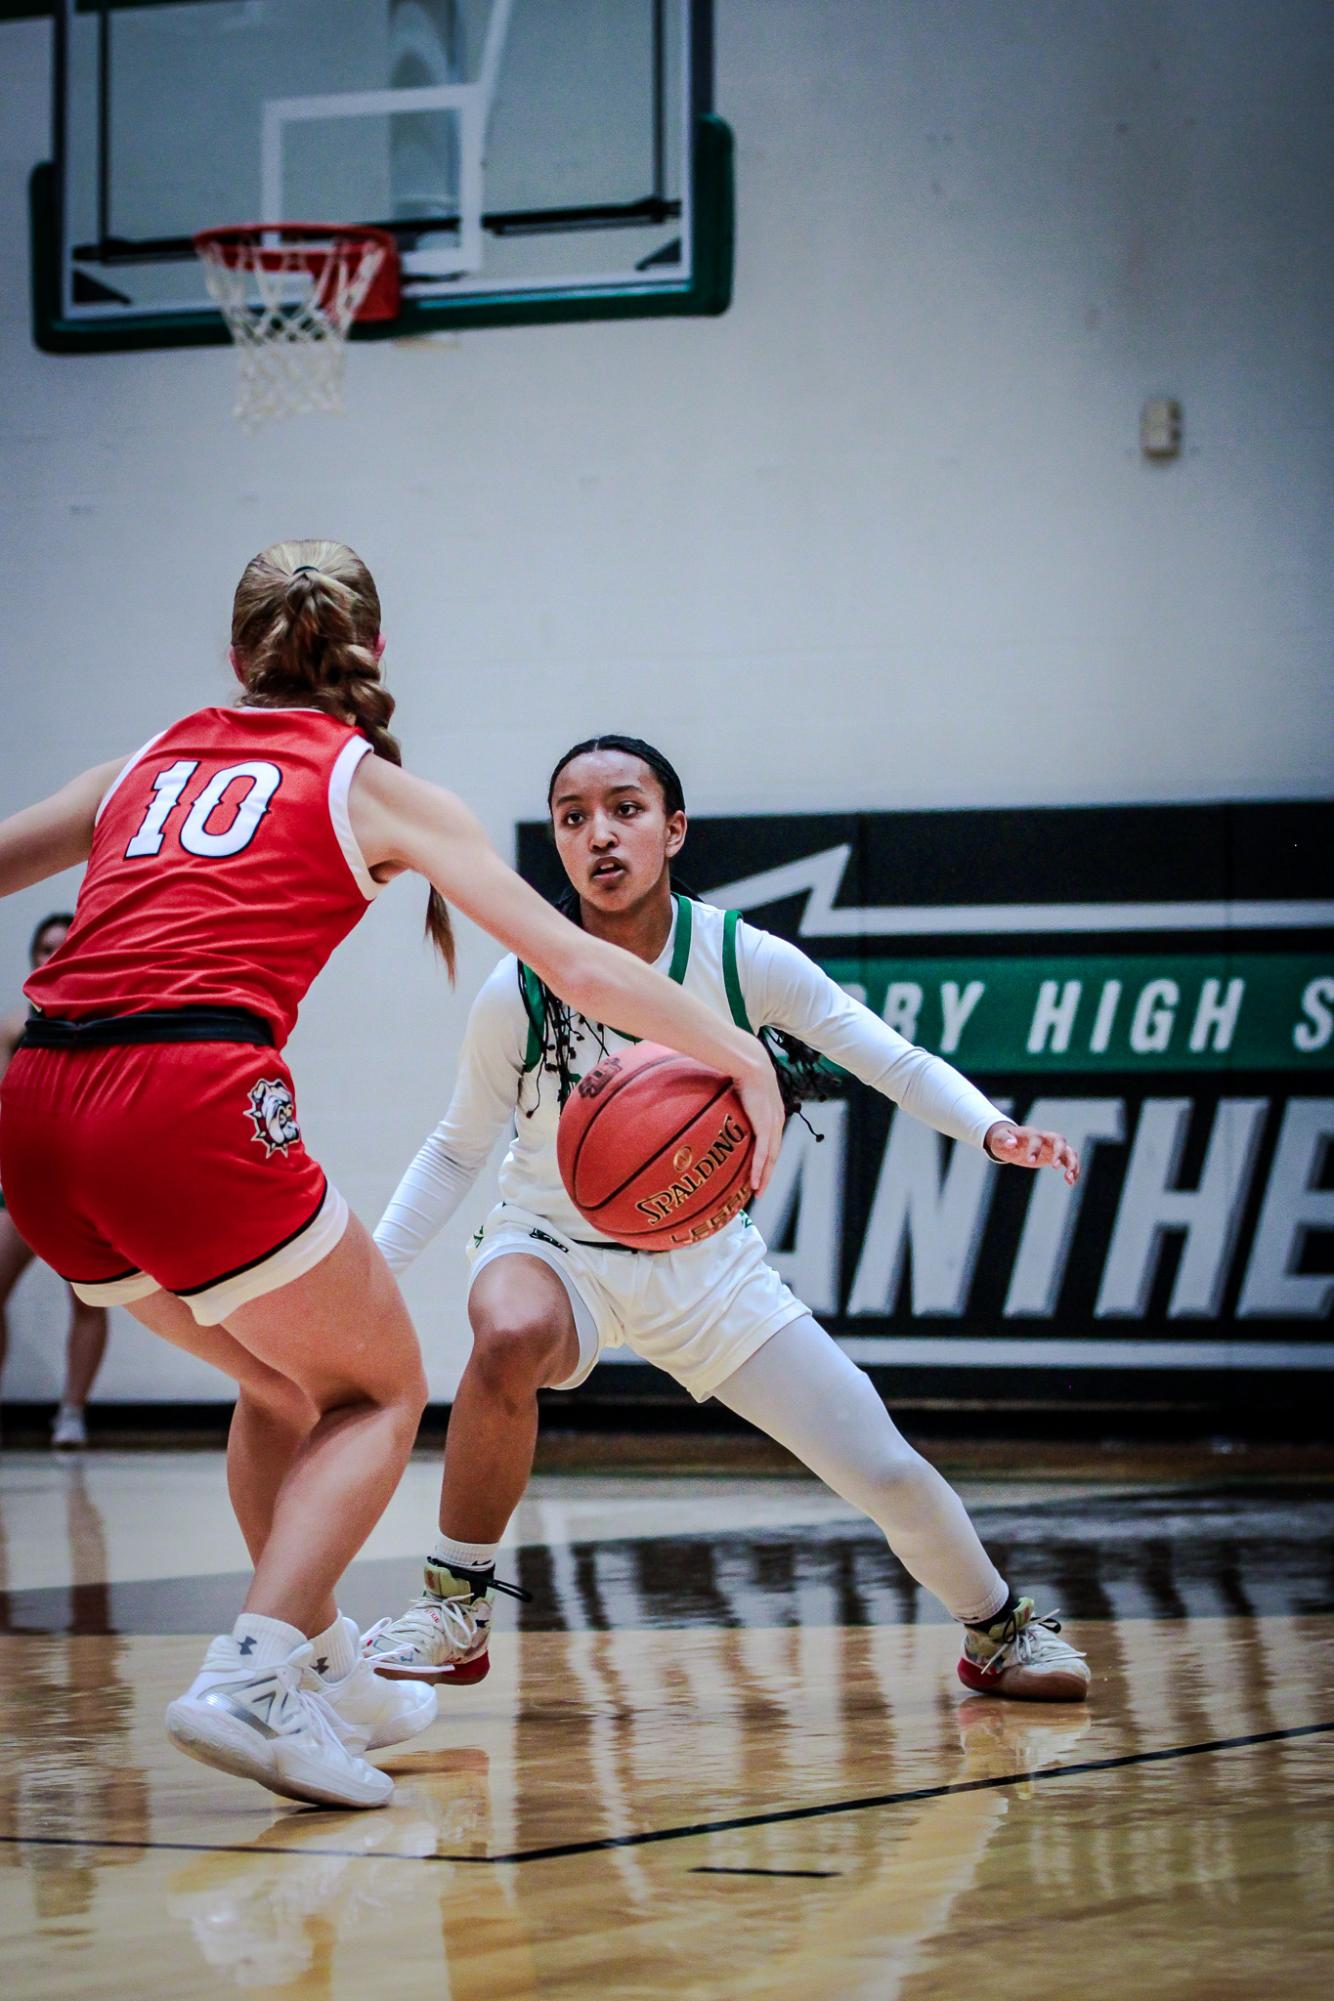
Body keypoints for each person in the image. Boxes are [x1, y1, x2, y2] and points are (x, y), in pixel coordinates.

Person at [0, 555, 784, 1813]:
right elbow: (575, 967)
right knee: (380, 1389)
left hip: (34, 1109)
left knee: (276, 1382)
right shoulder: (372, 788)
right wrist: (733, 1047)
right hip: (187, 1099)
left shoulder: (140, 764)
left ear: (234, 659)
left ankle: (317, 1664)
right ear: (371, 648)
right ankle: (254, 1680)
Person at [369, 735, 1091, 1703]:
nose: (599, 834)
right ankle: (454, 1605)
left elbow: (888, 1058)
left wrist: (991, 1132)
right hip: (551, 1247)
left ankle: (998, 1630)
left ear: (673, 830)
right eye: (572, 817)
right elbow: (459, 1147)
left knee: (882, 1470)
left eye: (624, 808)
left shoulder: (742, 960)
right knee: (505, 1330)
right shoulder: (522, 986)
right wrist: (369, 1271)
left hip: (707, 1269)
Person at [0, 913, 109, 1449]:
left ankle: (72, 1413)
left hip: (87, 1180)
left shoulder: (111, 1017)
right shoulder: (12, 1028)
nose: (52, 956)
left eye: (62, 947)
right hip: (22, 1182)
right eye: (43, 948)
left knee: (91, 1299)